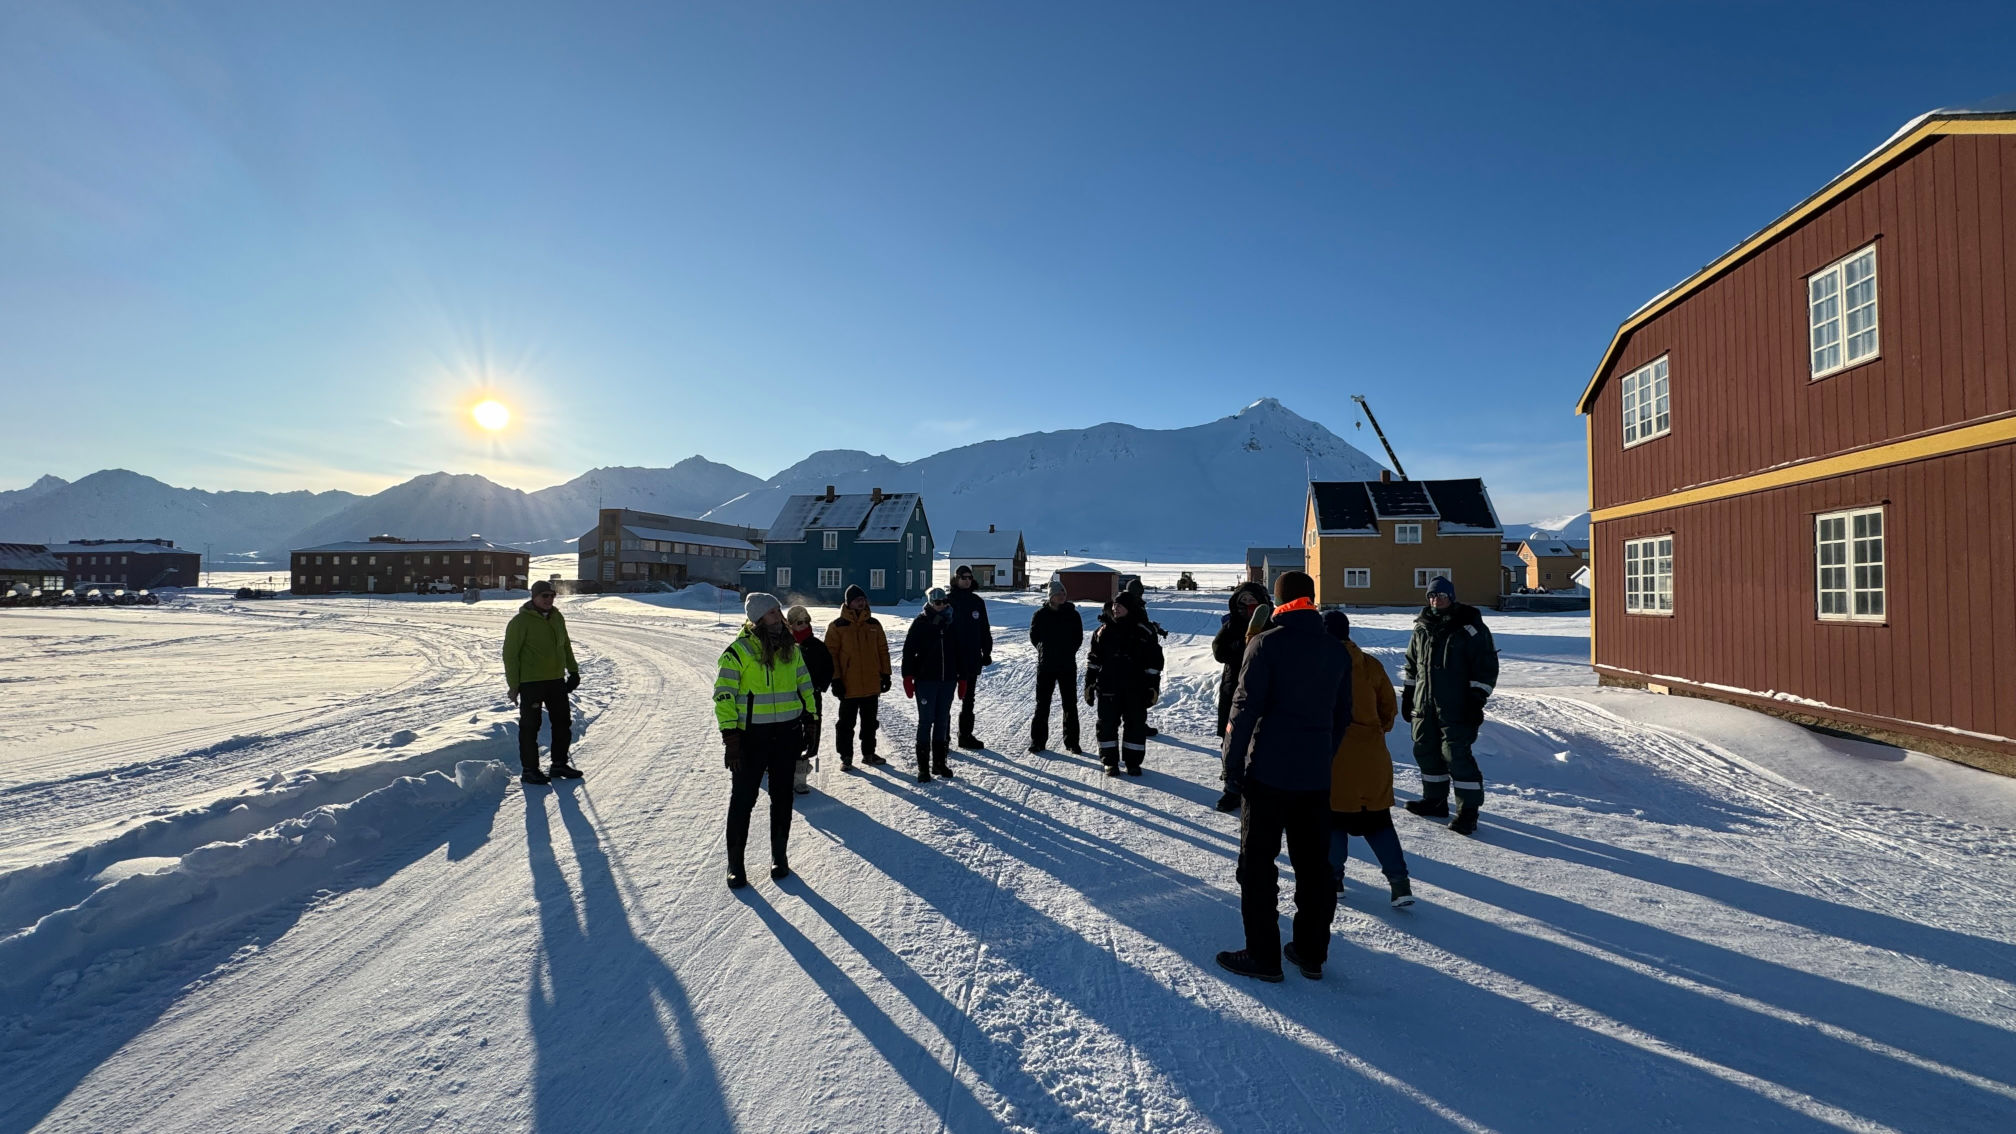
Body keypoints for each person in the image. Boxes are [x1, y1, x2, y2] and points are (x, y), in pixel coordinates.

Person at [1215, 570, 1353, 983]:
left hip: (1268, 775)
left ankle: (1264, 956)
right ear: (1311, 600)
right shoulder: (1336, 650)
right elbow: (1342, 717)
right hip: (1314, 779)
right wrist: (1321, 755)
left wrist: (1231, 768)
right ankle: (1311, 953)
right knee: (1315, 869)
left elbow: (1243, 711)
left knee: (1257, 867)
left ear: (1278, 602)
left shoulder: (1265, 645)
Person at [714, 592, 818, 888]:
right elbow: (723, 696)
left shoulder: (792, 649)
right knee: (743, 800)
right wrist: (730, 738)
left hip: (786, 734)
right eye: (773, 613)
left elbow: (805, 685)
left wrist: (811, 719)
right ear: (758, 619)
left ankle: (779, 857)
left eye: (778, 611)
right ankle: (735, 864)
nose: (780, 617)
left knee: (783, 797)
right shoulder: (738, 652)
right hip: (751, 738)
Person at [1322, 610, 1414, 907]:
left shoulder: (1320, 663)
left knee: (1333, 819)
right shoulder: (1370, 664)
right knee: (1378, 821)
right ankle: (1400, 883)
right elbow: (1389, 708)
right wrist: (1375, 730)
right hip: (1373, 754)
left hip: (1334, 754)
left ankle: (1333, 879)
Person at [1401, 576, 1499, 836]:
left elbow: (1485, 667)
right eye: (1432, 596)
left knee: (1456, 756)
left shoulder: (1469, 628)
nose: (1436, 600)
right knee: (1425, 751)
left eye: (1441, 595)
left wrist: (1476, 700)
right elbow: (1412, 664)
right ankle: (1435, 801)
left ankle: (1468, 812)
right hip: (1425, 704)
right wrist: (1409, 694)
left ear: (1451, 597)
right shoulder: (1421, 628)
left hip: (1456, 706)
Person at [503, 579, 582, 785]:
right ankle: (530, 769)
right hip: (532, 683)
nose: (549, 599)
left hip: (556, 680)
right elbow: (510, 655)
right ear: (534, 597)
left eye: (552, 595)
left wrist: (573, 671)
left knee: (562, 723)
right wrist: (514, 685)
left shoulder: (557, 617)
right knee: (530, 726)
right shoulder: (520, 622)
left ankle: (559, 764)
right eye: (544, 596)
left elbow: (565, 646)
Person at [1084, 590, 1163, 777]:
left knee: (1135, 724)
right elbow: (1094, 659)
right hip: (1108, 686)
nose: (1115, 608)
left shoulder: (1145, 631)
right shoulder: (1102, 631)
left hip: (1136, 688)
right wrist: (1089, 682)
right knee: (1107, 724)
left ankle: (1132, 762)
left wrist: (1153, 686)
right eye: (1114, 605)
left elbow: (1154, 662)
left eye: (1120, 606)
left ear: (1130, 608)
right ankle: (1110, 762)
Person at [824, 584, 891, 769]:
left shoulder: (874, 624)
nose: (861, 603)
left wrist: (886, 674)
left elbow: (883, 651)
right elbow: (831, 655)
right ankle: (845, 757)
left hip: (871, 684)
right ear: (848, 603)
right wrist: (836, 679)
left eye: (863, 599)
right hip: (848, 685)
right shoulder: (837, 626)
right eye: (857, 600)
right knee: (846, 725)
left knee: (870, 723)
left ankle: (869, 753)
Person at [903, 587, 960, 782]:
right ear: (930, 603)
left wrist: (963, 677)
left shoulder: (952, 622)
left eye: (944, 602)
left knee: (942, 720)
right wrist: (907, 676)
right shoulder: (921, 623)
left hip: (948, 679)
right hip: (926, 680)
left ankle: (939, 763)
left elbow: (961, 651)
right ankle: (923, 768)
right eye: (937, 602)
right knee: (926, 721)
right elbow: (909, 650)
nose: (942, 605)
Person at [1028, 581, 1085, 755]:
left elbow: (1078, 637)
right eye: (1058, 594)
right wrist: (1042, 649)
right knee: (1042, 704)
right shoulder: (1040, 614)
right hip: (1046, 666)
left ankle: (1072, 742)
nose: (1062, 596)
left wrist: (1068, 651)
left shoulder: (1073, 615)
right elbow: (1034, 636)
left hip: (1067, 666)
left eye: (1063, 593)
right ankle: (1038, 741)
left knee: (1070, 705)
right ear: (1051, 596)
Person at [786, 605, 834, 794]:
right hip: (786, 701)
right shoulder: (784, 646)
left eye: (806, 622)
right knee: (786, 737)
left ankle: (799, 779)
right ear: (790, 625)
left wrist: (819, 687)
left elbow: (828, 668)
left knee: (809, 737)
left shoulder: (817, 646)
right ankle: (777, 770)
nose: (804, 625)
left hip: (811, 700)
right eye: (799, 622)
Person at [1213, 582, 1271, 738]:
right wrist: (1242, 646)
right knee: (1232, 736)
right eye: (1243, 600)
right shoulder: (1231, 624)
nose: (1247, 604)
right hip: (1234, 684)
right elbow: (1219, 652)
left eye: (1251, 599)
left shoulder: (1271, 624)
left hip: (1263, 686)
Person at [946, 565, 994, 749]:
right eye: (963, 577)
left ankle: (965, 735)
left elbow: (984, 628)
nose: (966, 580)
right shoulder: (948, 601)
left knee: (969, 698)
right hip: (950, 658)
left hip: (972, 657)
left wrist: (987, 651)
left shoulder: (977, 602)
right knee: (947, 698)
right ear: (956, 579)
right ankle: (943, 738)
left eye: (969, 577)